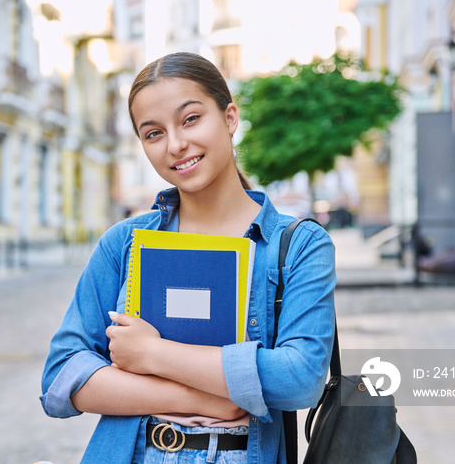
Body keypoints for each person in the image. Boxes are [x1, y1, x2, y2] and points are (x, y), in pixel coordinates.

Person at [40, 52, 336, 463]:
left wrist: (153, 355)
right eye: (153, 133)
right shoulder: (123, 244)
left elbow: (300, 379)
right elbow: (60, 379)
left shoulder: (299, 246)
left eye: (191, 119)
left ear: (230, 118)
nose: (176, 145)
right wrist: (211, 398)